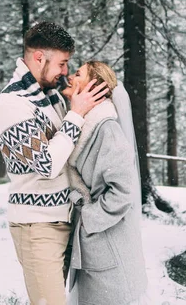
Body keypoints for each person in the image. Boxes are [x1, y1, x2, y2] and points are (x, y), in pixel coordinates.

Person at [0, 22, 108, 305]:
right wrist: (76, 113)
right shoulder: (13, 104)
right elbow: (47, 164)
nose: (66, 72)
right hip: (36, 226)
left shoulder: (49, 94)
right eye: (63, 63)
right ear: (39, 57)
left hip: (63, 220)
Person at [62, 61, 149, 305]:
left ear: (93, 86)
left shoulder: (106, 129)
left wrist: (89, 217)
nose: (69, 76)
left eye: (77, 74)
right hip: (93, 244)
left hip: (106, 240)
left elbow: (123, 191)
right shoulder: (83, 125)